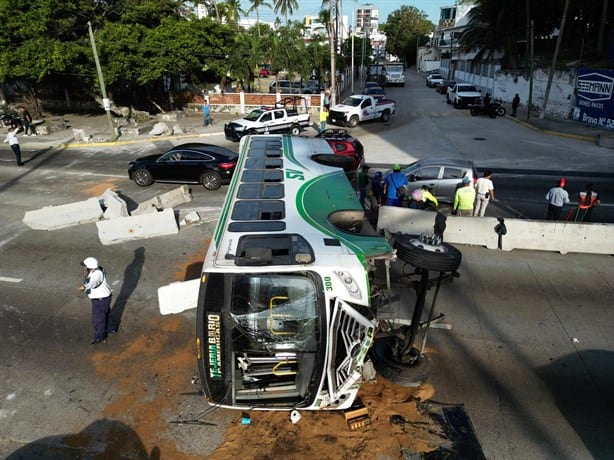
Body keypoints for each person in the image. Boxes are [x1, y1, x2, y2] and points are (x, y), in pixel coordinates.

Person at [79, 257, 116, 346]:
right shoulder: (97, 270)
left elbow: (94, 282)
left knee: (98, 319)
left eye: (85, 266)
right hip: (104, 298)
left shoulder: (97, 274)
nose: (84, 267)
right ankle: (111, 328)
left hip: (100, 299)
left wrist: (85, 287)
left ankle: (100, 336)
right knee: (106, 312)